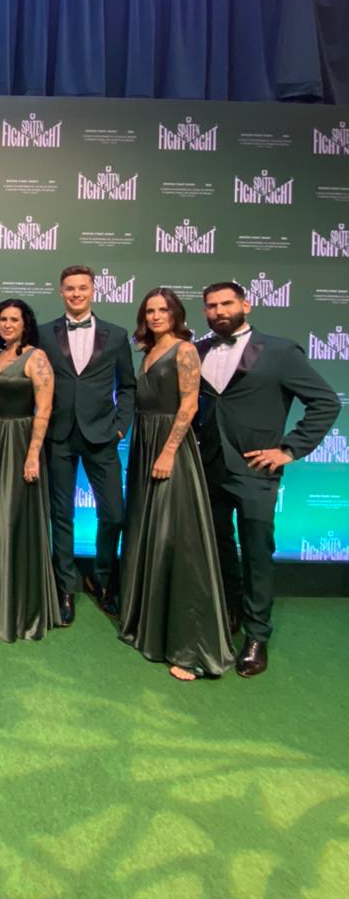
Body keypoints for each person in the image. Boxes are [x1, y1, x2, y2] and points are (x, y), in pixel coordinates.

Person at [195, 281, 339, 678]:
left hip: (256, 470)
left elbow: (326, 402)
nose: (219, 311)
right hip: (207, 466)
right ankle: (230, 611)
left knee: (257, 552)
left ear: (246, 305)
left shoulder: (280, 351)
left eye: (227, 303)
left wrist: (289, 449)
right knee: (218, 545)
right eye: (212, 306)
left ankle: (257, 635)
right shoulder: (198, 350)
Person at [118, 289, 234, 680]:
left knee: (175, 538)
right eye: (150, 311)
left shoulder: (184, 350)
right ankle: (148, 625)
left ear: (176, 314)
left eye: (163, 310)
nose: (156, 316)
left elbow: (189, 404)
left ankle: (190, 648)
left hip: (171, 447)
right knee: (149, 532)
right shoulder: (148, 351)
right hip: (145, 444)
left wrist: (168, 452)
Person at [37, 265, 136, 626]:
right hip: (58, 435)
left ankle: (102, 576)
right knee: (60, 514)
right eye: (70, 288)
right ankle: (65, 586)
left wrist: (121, 428)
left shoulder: (117, 334)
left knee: (114, 514)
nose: (76, 294)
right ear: (61, 292)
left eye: (82, 288)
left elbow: (128, 387)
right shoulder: (43, 333)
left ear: (94, 290)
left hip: (102, 436)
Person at [0, 299, 59, 643]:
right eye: (3, 319)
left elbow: (44, 407)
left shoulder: (36, 357)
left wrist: (33, 454)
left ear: (26, 324)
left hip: (20, 440)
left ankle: (17, 603)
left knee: (13, 516)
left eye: (14, 320)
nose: (8, 324)